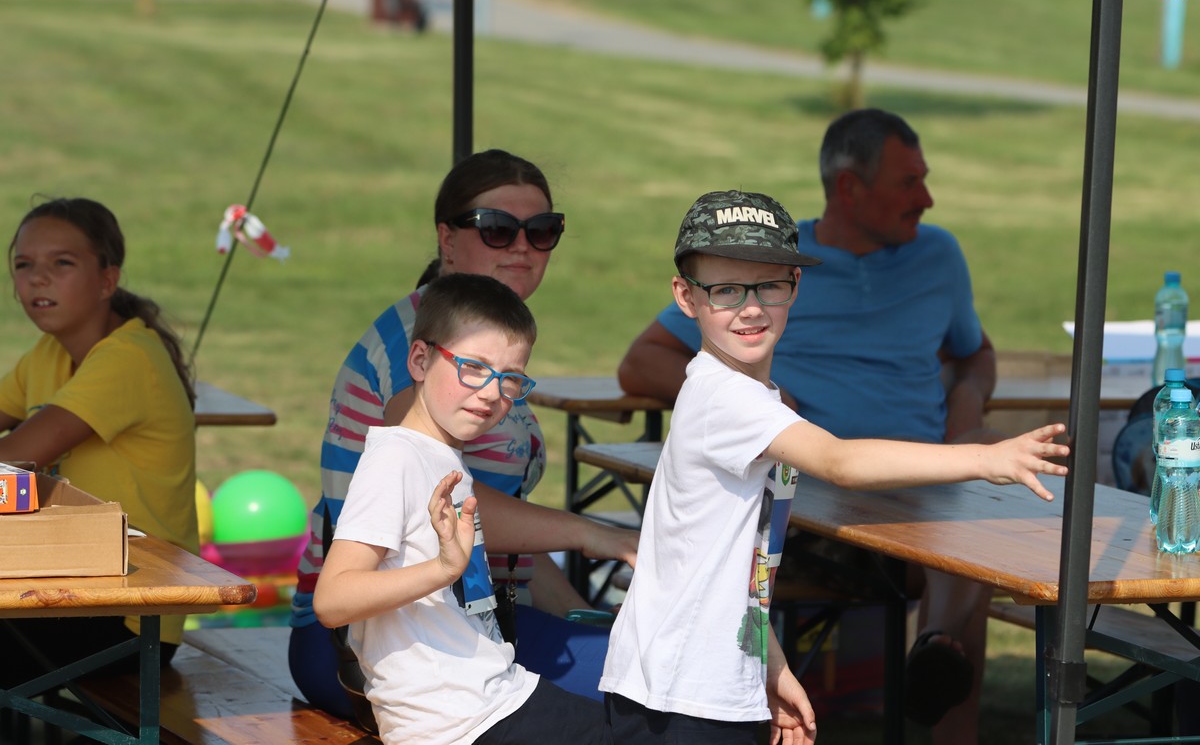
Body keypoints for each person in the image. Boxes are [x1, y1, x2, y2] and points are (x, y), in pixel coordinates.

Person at [599, 188, 1069, 745]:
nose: (750, 307)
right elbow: (840, 461)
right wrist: (985, 458)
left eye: (768, 285)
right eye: (725, 290)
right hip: (676, 698)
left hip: (710, 685)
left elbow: (734, 573)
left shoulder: (750, 398)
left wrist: (769, 667)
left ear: (795, 288)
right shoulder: (725, 398)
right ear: (686, 297)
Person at [291, 149, 635, 719]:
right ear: (447, 240)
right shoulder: (427, 352)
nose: (523, 246)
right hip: (380, 650)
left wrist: (583, 613)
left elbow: (485, 538)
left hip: (462, 626)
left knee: (633, 659)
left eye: (543, 230)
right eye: (497, 229)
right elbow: (445, 505)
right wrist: (590, 534)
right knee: (639, 690)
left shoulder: (485, 348)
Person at [314, 272, 628, 744]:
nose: (491, 393)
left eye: (510, 380)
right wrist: (441, 570)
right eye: (473, 368)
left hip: (491, 700)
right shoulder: (395, 458)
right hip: (458, 724)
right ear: (420, 360)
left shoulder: (439, 454)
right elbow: (333, 600)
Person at [0, 196, 198, 684]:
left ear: (108, 279)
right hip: (62, 594)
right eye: (24, 265)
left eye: (61, 263)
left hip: (131, 617)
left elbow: (14, 455)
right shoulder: (46, 354)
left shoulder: (128, 358)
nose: (38, 279)